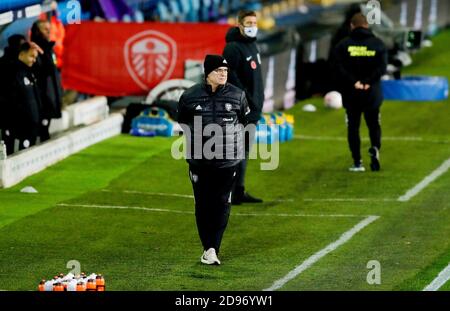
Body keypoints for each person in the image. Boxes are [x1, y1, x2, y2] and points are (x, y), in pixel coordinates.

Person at [177, 54, 249, 265]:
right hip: (199, 161)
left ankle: (212, 248)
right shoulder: (190, 96)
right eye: (219, 71)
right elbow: (182, 122)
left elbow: (244, 122)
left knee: (221, 202)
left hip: (228, 162)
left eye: (225, 71)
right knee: (203, 204)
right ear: (208, 73)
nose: (223, 74)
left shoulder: (238, 95)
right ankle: (207, 246)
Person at [332, 13, 387, 172]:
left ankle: (357, 162)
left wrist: (354, 82)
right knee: (374, 124)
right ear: (367, 26)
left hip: (351, 93)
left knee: (353, 127)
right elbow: (382, 68)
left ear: (351, 26)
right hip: (372, 93)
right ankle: (375, 148)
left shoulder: (342, 45)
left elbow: (337, 68)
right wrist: (368, 82)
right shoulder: (378, 44)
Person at [223, 10, 264, 205]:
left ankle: (238, 191)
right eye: (248, 22)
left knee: (244, 152)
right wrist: (245, 98)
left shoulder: (252, 45)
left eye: (254, 22)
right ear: (239, 25)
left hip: (253, 109)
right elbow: (229, 76)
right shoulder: (232, 48)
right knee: (235, 152)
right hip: (241, 109)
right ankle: (229, 191)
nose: (252, 25)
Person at [31, 19, 63, 143]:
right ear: (37, 31)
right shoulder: (36, 50)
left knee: (46, 128)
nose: (49, 32)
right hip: (43, 96)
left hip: (51, 93)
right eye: (45, 29)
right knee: (42, 130)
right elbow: (43, 72)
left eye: (49, 29)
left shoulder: (49, 48)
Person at [7, 42, 42, 152]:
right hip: (22, 124)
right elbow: (12, 101)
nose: (34, 60)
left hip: (33, 121)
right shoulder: (14, 73)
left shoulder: (30, 72)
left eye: (35, 57)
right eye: (31, 56)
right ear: (21, 55)